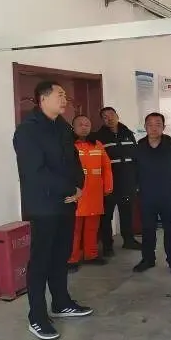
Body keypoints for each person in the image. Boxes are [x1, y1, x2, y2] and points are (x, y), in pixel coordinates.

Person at [13, 81, 93, 340]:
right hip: (43, 205)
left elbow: (74, 160)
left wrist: (79, 186)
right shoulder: (28, 130)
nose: (64, 99)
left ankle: (61, 302)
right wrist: (69, 188)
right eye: (60, 95)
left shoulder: (62, 127)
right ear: (43, 98)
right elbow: (34, 172)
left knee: (61, 256)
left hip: (67, 202)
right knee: (41, 261)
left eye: (65, 95)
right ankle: (37, 316)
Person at [133, 112, 171, 275]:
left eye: (158, 124)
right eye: (150, 124)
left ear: (164, 127)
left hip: (167, 195)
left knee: (170, 229)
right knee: (147, 229)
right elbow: (134, 171)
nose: (154, 128)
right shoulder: (139, 148)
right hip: (146, 196)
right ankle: (148, 259)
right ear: (145, 127)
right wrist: (136, 188)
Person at [93, 107, 142, 255]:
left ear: (117, 116)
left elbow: (136, 158)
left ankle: (128, 240)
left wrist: (137, 179)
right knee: (106, 216)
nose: (109, 118)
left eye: (111, 115)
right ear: (102, 120)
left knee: (126, 212)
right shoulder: (98, 137)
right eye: (105, 117)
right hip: (109, 182)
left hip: (127, 181)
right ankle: (107, 245)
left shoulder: (128, 133)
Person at [68, 115, 113, 272]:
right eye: (80, 124)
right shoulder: (68, 144)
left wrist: (108, 186)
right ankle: (72, 259)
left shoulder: (97, 144)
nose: (84, 127)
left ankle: (91, 255)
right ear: (73, 127)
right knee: (74, 229)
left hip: (94, 193)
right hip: (76, 194)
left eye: (87, 124)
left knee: (92, 228)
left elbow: (106, 167)